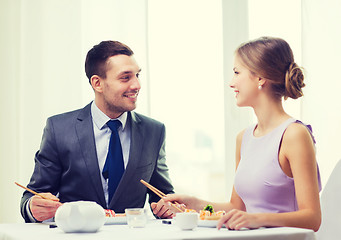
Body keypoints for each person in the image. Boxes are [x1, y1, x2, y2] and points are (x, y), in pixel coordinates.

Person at [156, 37, 322, 231]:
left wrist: (257, 219)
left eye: (236, 72)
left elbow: (312, 218)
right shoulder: (244, 138)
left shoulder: (294, 134)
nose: (231, 83)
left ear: (260, 78)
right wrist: (192, 203)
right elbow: (236, 208)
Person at [20, 40, 174, 222]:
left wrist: (167, 206)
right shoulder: (58, 129)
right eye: (126, 77)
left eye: (137, 75)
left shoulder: (154, 131)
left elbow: (163, 197)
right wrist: (33, 207)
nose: (137, 85)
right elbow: (32, 197)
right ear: (97, 83)